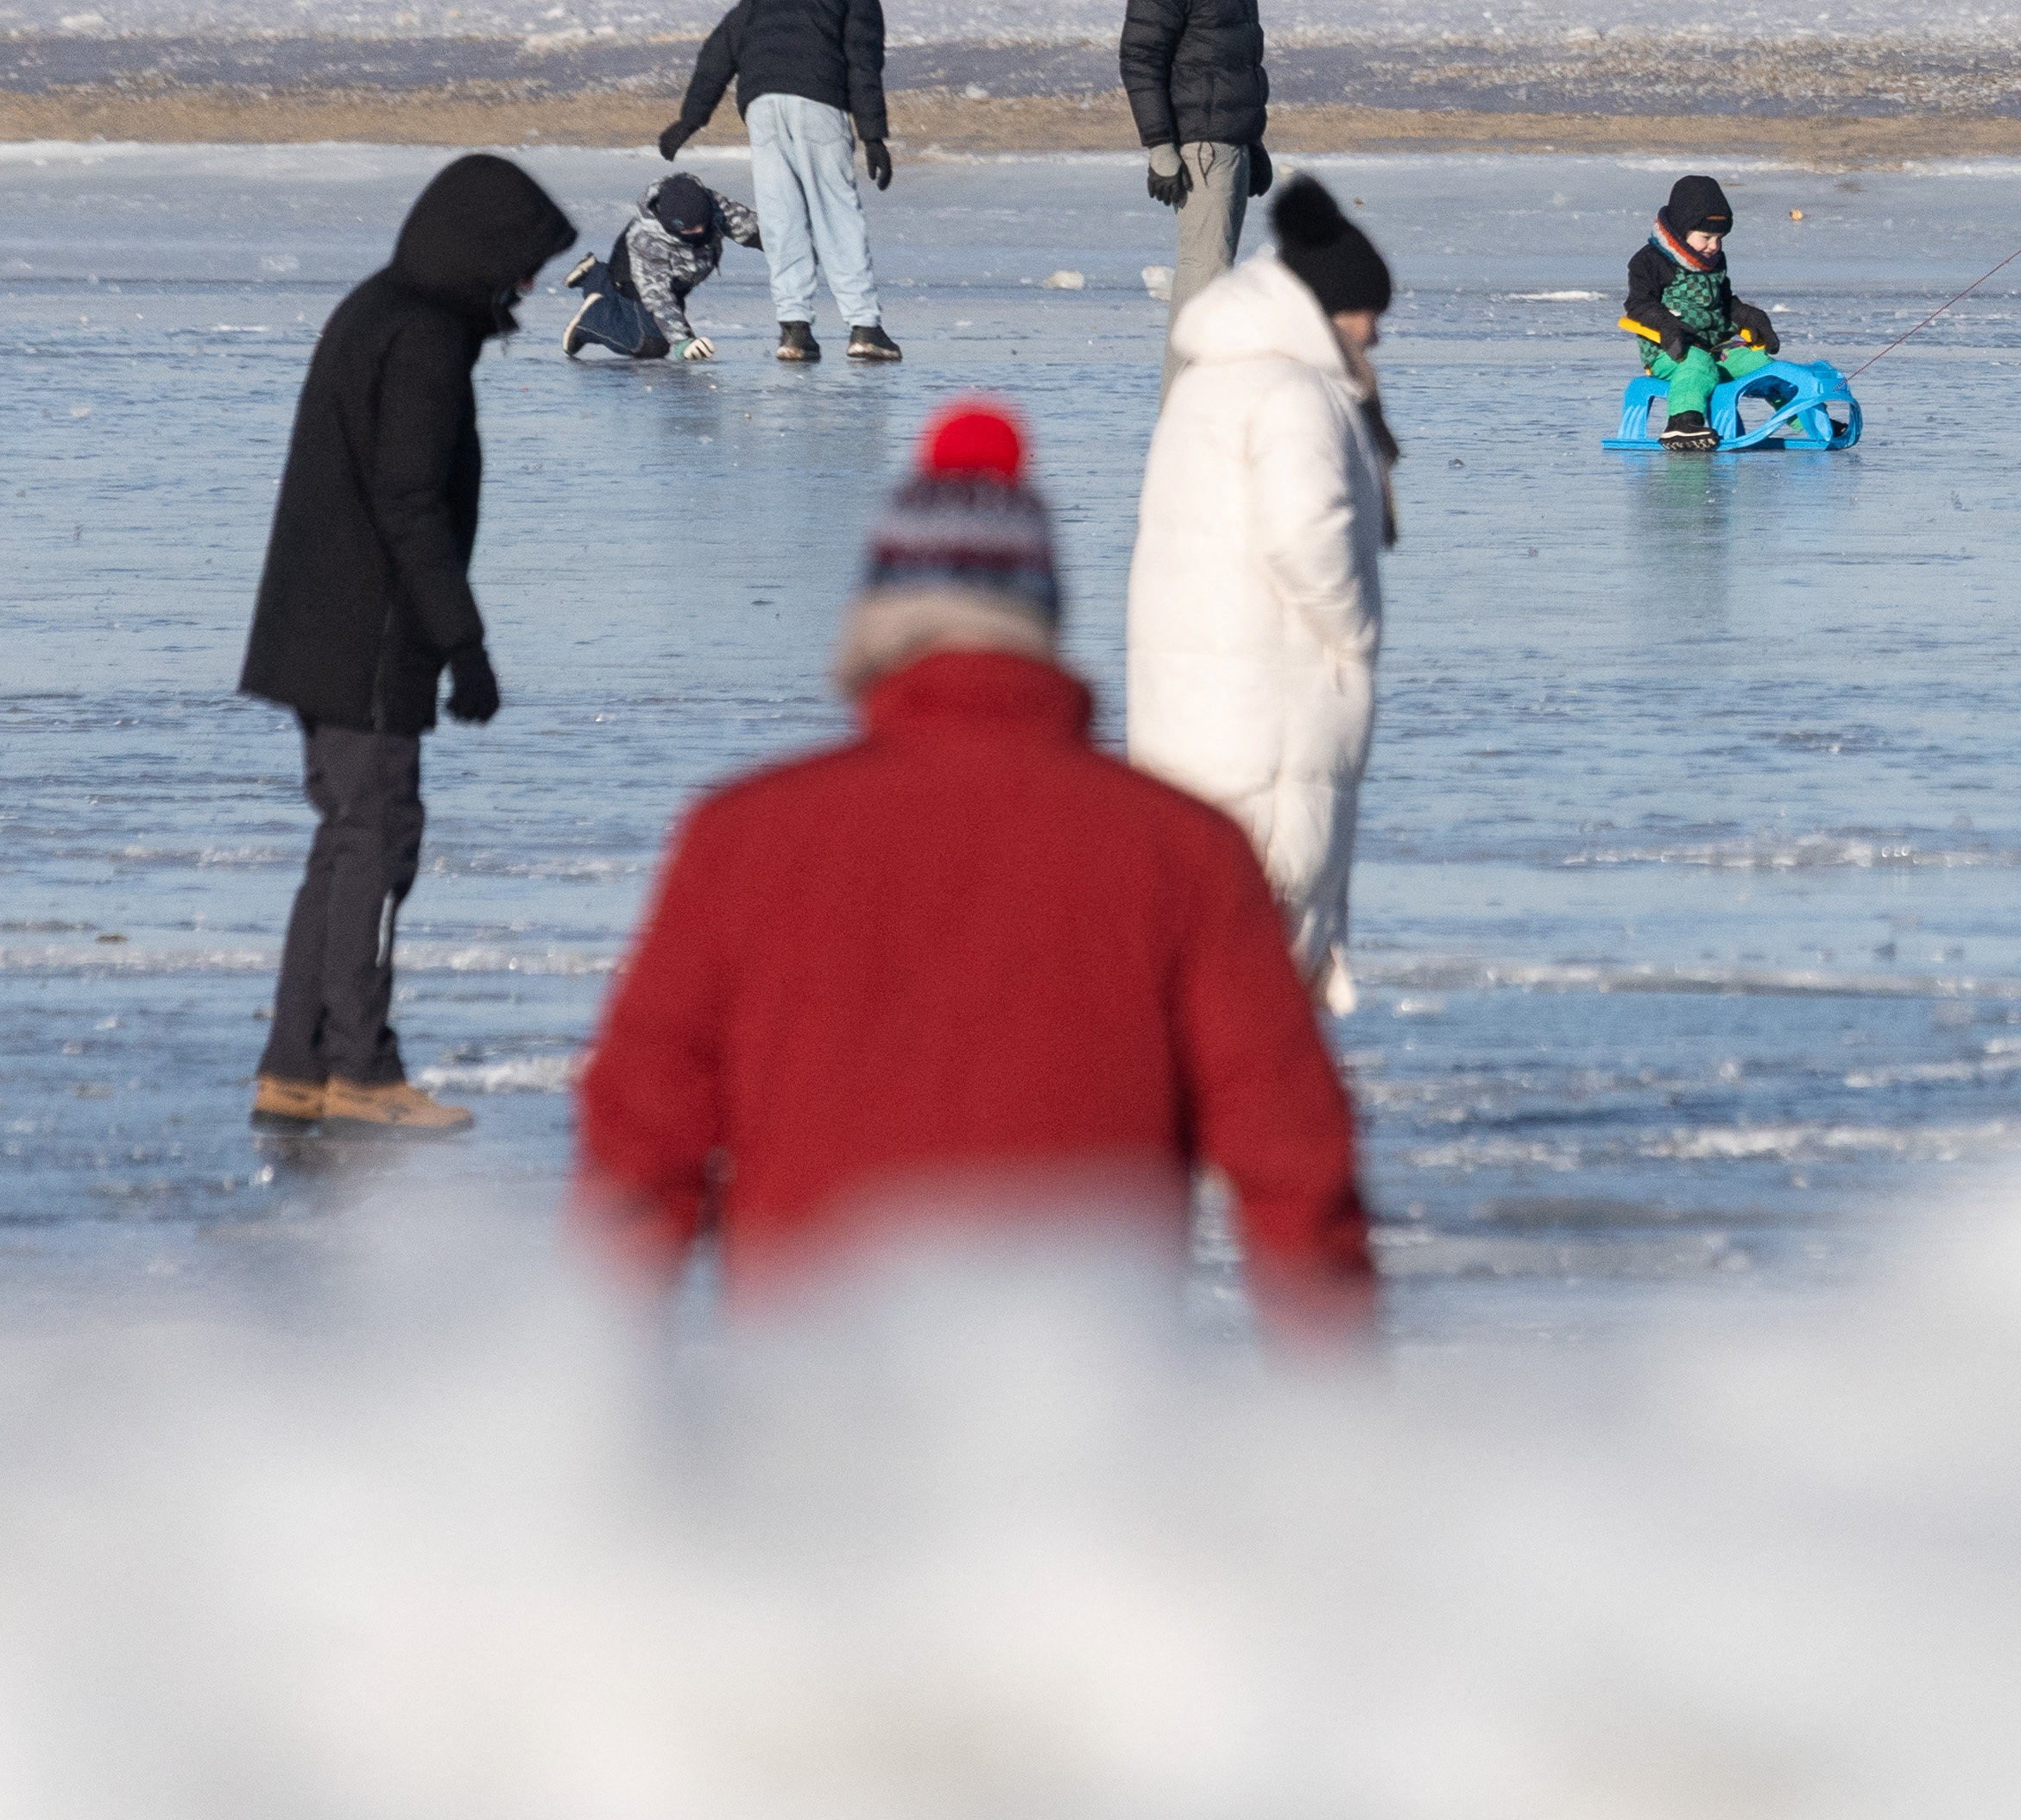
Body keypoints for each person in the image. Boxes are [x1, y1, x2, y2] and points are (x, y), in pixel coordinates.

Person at [576, 401, 1375, 1339]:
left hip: (807, 1400)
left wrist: (597, 1408)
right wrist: (1336, 1415)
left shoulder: (743, 838)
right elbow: (1295, 1158)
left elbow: (637, 1149)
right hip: (1076, 1402)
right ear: (1040, 622)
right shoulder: (1182, 849)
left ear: (877, 625)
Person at [236, 153, 575, 1134]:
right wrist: (463, 644)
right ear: (481, 255)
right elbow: (408, 504)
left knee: (344, 842)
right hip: (369, 636)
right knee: (379, 843)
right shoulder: (422, 338)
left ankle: (294, 1065)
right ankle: (362, 1071)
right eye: (521, 268)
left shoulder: (383, 310)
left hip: (324, 629)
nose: (525, 288)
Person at [1129, 175, 1394, 1012]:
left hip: (1198, 711)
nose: (1376, 335)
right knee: (1261, 953)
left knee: (1205, 936)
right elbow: (1304, 530)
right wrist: (1352, 636)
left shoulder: (1213, 379)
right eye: (1365, 316)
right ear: (1327, 313)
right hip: (1267, 722)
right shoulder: (1292, 393)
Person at [661, 0, 900, 363]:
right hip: (818, 102)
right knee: (835, 213)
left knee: (781, 216)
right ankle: (864, 327)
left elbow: (720, 49)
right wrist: (873, 136)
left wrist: (691, 118)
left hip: (762, 105)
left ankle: (794, 331)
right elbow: (864, 64)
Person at [1122, 0, 1270, 376]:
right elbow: (1140, 60)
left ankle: (1205, 420)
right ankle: (1183, 424)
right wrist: (1161, 147)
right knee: (1203, 289)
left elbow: (1234, 60)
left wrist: (1253, 142)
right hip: (1201, 151)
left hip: (1230, 144)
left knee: (1218, 283)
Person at [1622, 173, 1780, 450]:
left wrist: (1748, 316)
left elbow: (1724, 302)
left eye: (1719, 238)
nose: (1714, 246)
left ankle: (1808, 418)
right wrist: (1666, 325)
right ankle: (1682, 423)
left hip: (1717, 345)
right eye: (1706, 237)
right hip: (1669, 350)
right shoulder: (1649, 261)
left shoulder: (1713, 260)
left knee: (1760, 364)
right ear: (1681, 231)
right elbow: (1638, 307)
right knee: (1698, 365)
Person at [559, 172, 765, 362]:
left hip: (679, 278)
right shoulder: (647, 241)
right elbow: (659, 297)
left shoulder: (714, 206)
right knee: (651, 345)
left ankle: (594, 275)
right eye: (689, 231)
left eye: (702, 227)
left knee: (669, 325)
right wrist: (682, 342)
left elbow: (754, 230)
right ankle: (591, 321)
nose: (699, 233)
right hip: (633, 277)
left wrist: (788, 249)